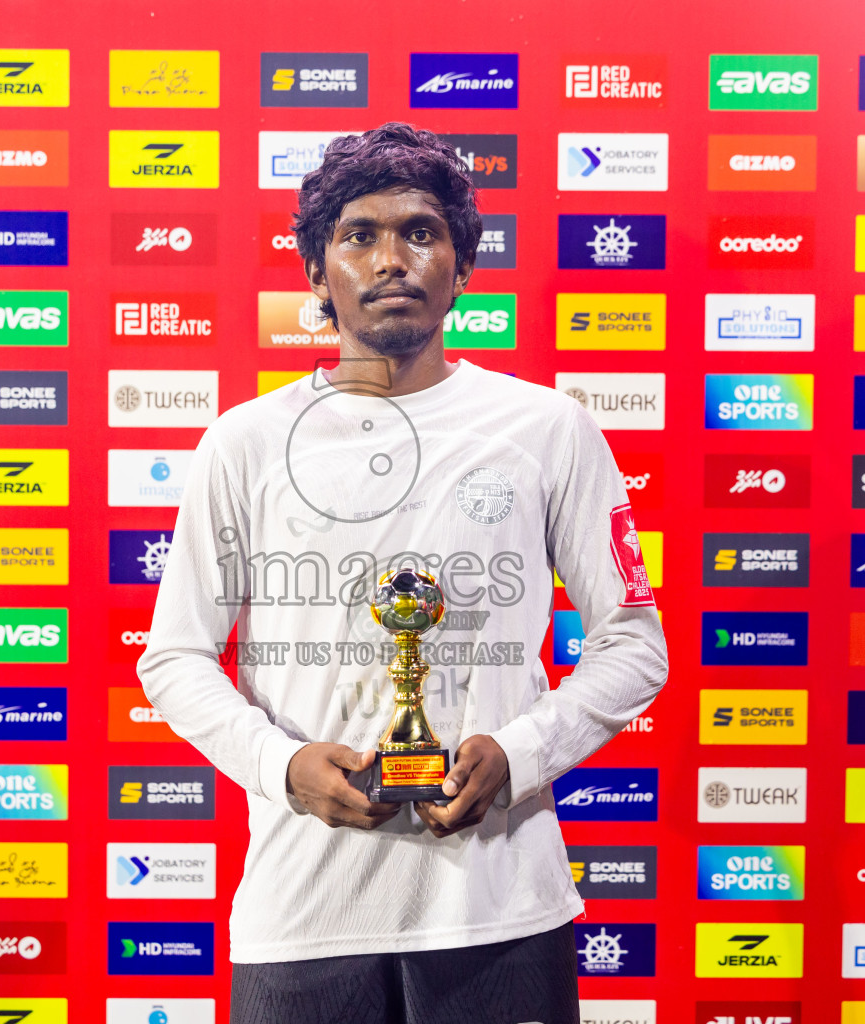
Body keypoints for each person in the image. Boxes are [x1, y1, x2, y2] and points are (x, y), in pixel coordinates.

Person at [137, 122, 668, 1024]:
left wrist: (521, 753)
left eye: (421, 232)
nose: (392, 258)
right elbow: (174, 657)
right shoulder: (246, 441)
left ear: (461, 268)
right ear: (316, 274)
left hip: (499, 908)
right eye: (360, 235)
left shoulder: (546, 428)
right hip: (304, 913)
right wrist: (284, 764)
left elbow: (633, 643)